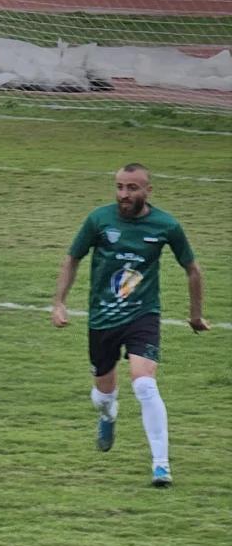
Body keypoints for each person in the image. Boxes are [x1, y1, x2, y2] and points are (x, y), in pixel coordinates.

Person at [52, 163, 208, 487]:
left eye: (132, 188)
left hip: (143, 315)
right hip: (102, 318)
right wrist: (59, 303)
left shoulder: (166, 225)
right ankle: (108, 414)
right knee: (103, 394)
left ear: (148, 190)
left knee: (145, 385)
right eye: (120, 187)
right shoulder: (99, 220)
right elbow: (72, 258)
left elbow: (193, 269)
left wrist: (195, 315)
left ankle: (161, 465)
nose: (124, 194)